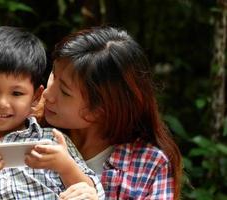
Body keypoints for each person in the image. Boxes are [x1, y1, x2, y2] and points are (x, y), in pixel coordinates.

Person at [0, 26, 104, 200]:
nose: (2, 103)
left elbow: (93, 194)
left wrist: (65, 165)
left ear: (36, 97)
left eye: (16, 93)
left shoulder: (53, 141)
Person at [39, 26, 183, 199]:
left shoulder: (149, 165)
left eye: (64, 91)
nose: (47, 94)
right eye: (53, 75)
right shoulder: (24, 130)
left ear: (99, 110)